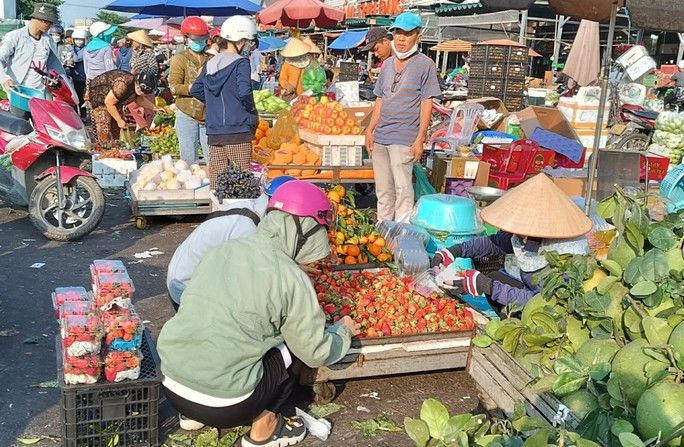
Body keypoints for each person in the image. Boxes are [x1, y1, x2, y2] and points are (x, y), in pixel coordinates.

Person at [158, 180, 359, 446]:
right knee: (291, 346)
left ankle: (193, 415)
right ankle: (264, 429)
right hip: (228, 404)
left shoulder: (224, 249)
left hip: (171, 385)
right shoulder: (290, 278)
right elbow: (315, 352)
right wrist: (343, 330)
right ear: (304, 230)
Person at [430, 174, 592, 306]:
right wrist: (454, 251)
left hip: (551, 310)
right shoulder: (526, 232)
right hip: (534, 294)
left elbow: (541, 301)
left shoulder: (565, 253)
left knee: (491, 284)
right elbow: (494, 243)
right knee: (494, 277)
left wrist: (487, 286)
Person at [166, 175, 297, 309]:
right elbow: (253, 272)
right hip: (185, 289)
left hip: (179, 277)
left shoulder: (247, 208)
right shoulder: (246, 227)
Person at [364, 12, 441, 222]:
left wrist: (420, 139)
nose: (401, 38)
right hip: (381, 137)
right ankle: (383, 234)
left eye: (407, 34)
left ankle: (402, 236)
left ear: (418, 36)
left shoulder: (426, 65)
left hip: (404, 138)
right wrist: (370, 129)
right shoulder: (387, 65)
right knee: (383, 191)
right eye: (398, 32)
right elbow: (380, 99)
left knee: (403, 190)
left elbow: (427, 104)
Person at [191, 16, 258, 188]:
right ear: (241, 40)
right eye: (248, 42)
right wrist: (251, 113)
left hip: (214, 133)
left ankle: (218, 212)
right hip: (238, 131)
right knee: (241, 183)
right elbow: (245, 92)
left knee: (219, 183)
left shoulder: (211, 64)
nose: (249, 46)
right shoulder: (241, 63)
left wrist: (214, 103)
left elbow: (195, 90)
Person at [0, 3, 74, 95]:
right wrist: (4, 78)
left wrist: (68, 87)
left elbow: (55, 66)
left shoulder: (48, 40)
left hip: (40, 94)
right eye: (49, 22)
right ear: (41, 20)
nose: (51, 25)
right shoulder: (14, 37)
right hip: (17, 92)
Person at [169, 17, 212, 165]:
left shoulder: (212, 59)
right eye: (195, 39)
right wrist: (193, 87)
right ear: (185, 39)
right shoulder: (180, 59)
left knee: (214, 160)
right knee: (188, 163)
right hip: (187, 113)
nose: (199, 42)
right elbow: (173, 87)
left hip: (209, 115)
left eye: (202, 39)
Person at [88, 68, 165, 145]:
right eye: (140, 89)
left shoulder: (137, 89)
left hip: (115, 100)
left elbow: (139, 100)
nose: (141, 92)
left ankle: (117, 149)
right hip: (100, 97)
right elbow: (108, 103)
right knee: (105, 127)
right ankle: (105, 150)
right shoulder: (122, 84)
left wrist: (156, 108)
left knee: (118, 130)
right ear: (137, 84)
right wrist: (119, 120)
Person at [70, 29, 88, 118]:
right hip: (72, 77)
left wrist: (71, 51)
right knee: (73, 98)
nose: (78, 41)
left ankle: (84, 116)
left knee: (81, 99)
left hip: (81, 78)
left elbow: (77, 59)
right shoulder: (73, 49)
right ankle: (75, 117)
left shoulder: (85, 49)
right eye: (76, 39)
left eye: (81, 39)